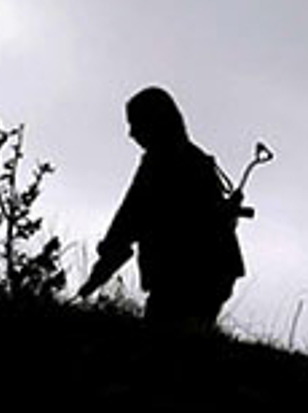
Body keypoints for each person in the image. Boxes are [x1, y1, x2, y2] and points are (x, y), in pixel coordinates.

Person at [77, 86, 245, 331]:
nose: (131, 133)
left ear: (155, 123)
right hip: (213, 273)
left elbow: (128, 220)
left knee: (163, 340)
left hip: (185, 276)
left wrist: (98, 275)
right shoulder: (197, 160)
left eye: (136, 124)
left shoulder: (159, 164)